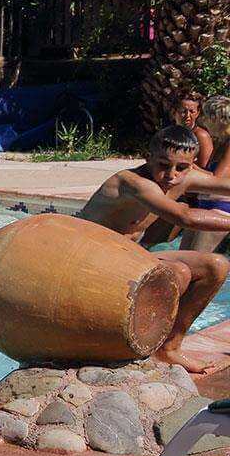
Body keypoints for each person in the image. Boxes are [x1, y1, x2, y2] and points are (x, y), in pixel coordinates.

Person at [76, 124, 230, 373]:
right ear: (148, 157)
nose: (171, 175)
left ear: (192, 164)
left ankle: (169, 349)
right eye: (163, 164)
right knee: (177, 272)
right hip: (91, 263)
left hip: (129, 258)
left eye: (182, 167)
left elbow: (221, 185)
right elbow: (185, 217)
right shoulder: (133, 182)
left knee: (217, 265)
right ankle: (130, 346)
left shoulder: (183, 176)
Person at [176, 95, 230, 254]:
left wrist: (188, 165)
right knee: (182, 257)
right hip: (205, 204)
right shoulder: (221, 142)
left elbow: (216, 180)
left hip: (221, 208)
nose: (203, 121)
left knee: (196, 261)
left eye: (206, 116)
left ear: (216, 118)